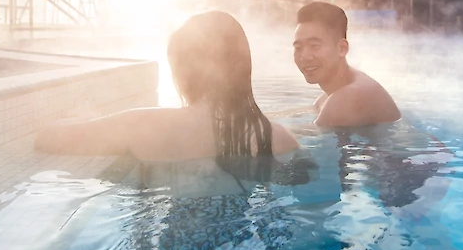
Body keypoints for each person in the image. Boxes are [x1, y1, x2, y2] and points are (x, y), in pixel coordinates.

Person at [35, 11, 299, 162]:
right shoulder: (278, 139)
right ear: (243, 68)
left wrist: (86, 121)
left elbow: (46, 139)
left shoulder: (142, 126)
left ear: (183, 71)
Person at [293, 1, 401, 127]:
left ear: (342, 49)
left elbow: (302, 139)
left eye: (314, 46)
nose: (305, 56)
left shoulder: (348, 98)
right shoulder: (327, 99)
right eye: (298, 47)